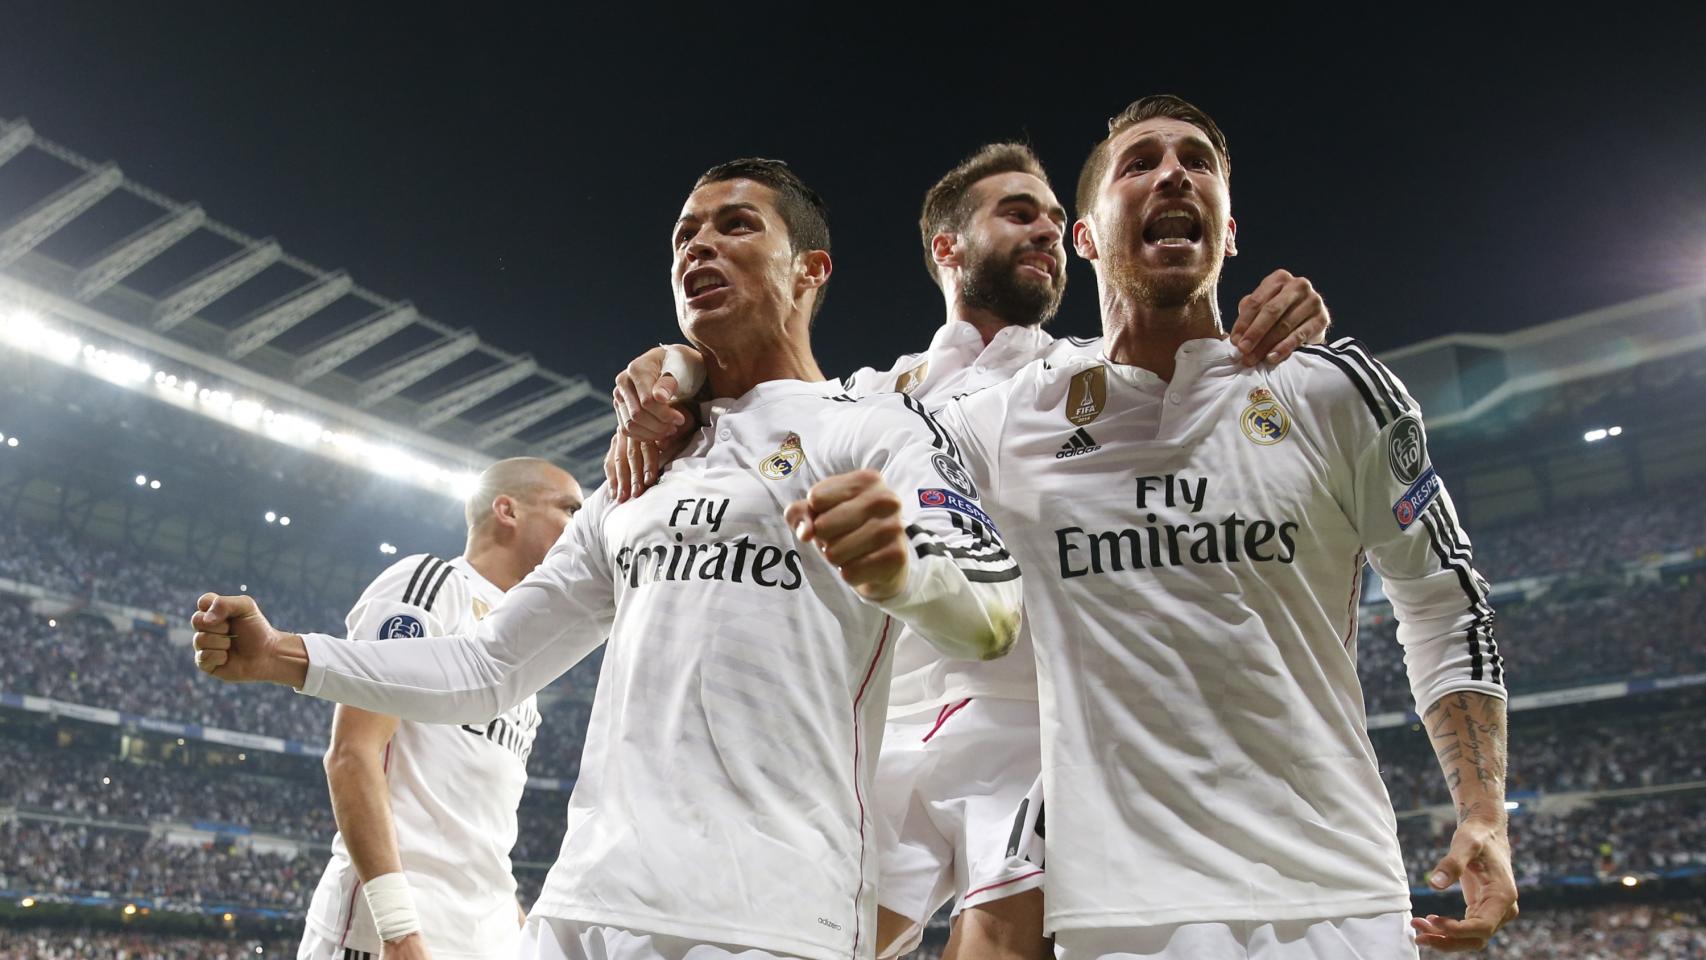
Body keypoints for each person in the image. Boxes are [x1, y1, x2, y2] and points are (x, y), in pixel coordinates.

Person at [191, 158, 1024, 960]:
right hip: (581, 909)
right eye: (683, 236)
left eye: (737, 226)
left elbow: (993, 613)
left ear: (809, 270)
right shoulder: (638, 473)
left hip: (771, 915)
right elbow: (490, 662)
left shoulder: (875, 429)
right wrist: (283, 656)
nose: (698, 247)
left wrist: (905, 578)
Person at [605, 144, 1330, 960]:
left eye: (1058, 219)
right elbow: (769, 397)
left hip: (1031, 723)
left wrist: (1288, 307)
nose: (1048, 230)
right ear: (947, 248)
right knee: (814, 939)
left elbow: (1192, 357)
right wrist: (677, 366)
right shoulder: (877, 395)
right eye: (1019, 213)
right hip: (889, 729)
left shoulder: (1090, 375)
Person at [927, 95, 1516, 957]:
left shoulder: (1334, 391)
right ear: (1082, 237)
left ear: (1228, 232)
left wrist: (1485, 814)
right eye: (1140, 163)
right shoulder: (1009, 418)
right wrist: (680, 377)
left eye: (1197, 161)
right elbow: (850, 438)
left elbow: (1445, 602)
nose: (1173, 171)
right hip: (1119, 914)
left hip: (1338, 897)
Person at [297, 457, 579, 960]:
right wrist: (398, 927)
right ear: (507, 510)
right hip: (398, 931)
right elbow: (353, 752)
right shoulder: (433, 585)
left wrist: (515, 931)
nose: (580, 526)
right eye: (568, 509)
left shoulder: (524, 648)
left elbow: (482, 829)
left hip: (483, 935)